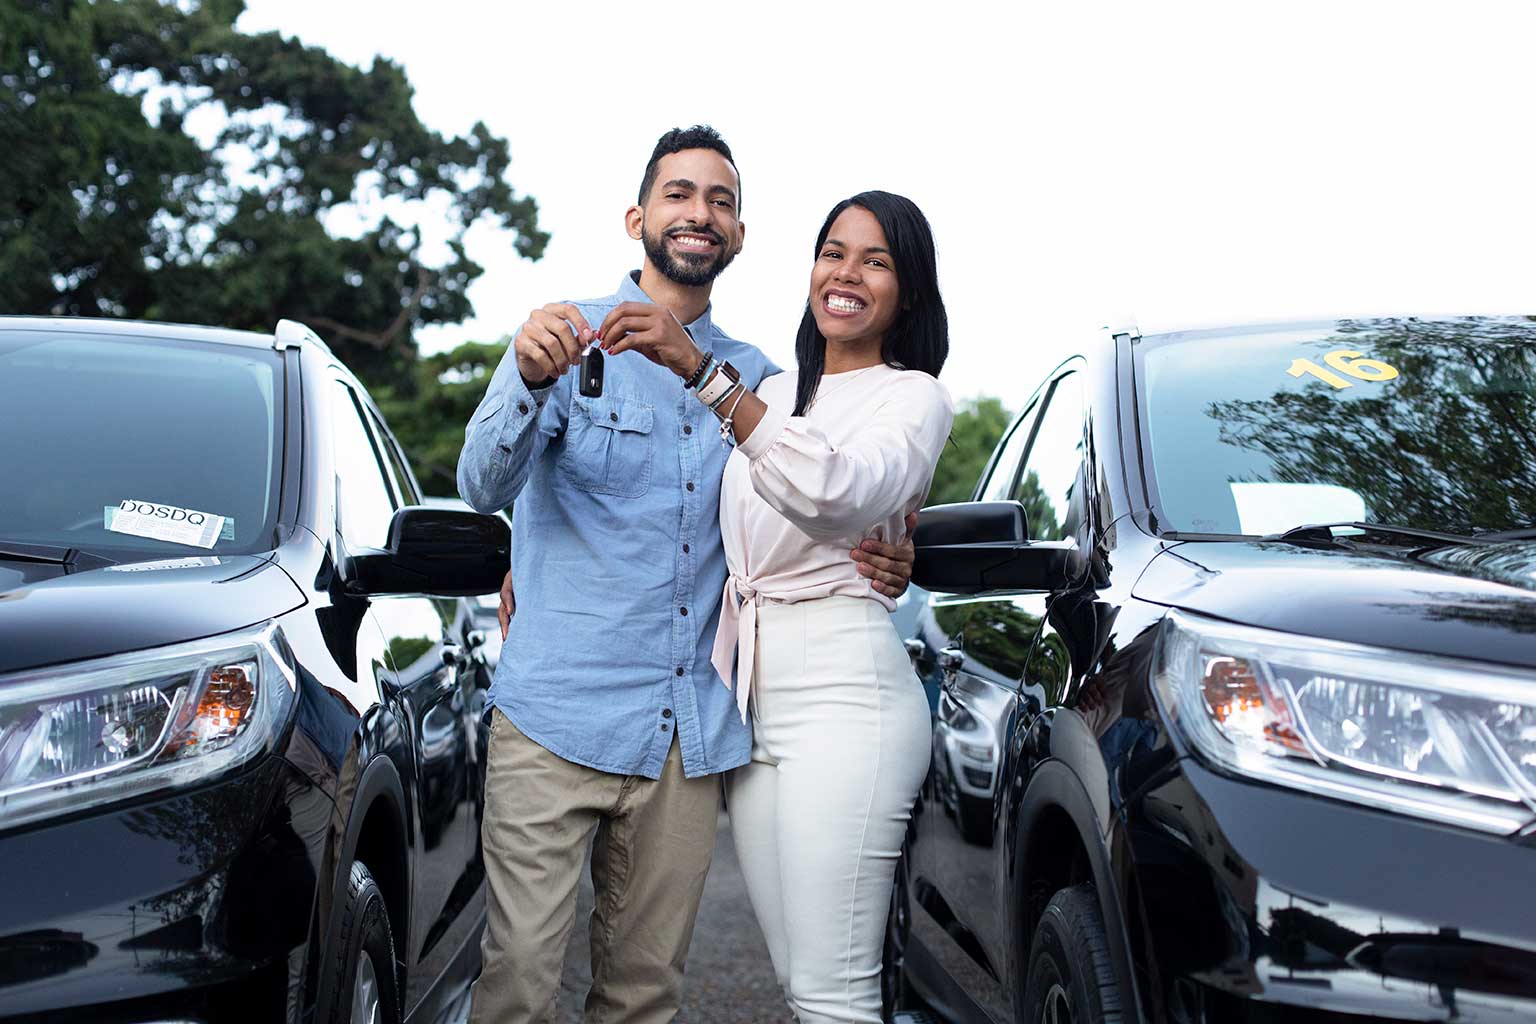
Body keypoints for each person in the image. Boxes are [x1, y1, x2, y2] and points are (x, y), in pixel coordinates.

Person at [456, 126, 917, 1024]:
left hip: (684, 738)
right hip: (553, 717)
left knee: (644, 997)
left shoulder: (764, 385)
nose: (699, 213)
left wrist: (901, 551)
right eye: (679, 193)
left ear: (739, 235)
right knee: (518, 983)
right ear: (638, 218)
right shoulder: (562, 337)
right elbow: (481, 486)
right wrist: (526, 380)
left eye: (721, 201)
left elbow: (830, 489)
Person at [603, 189, 953, 1023]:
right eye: (834, 252)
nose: (847, 274)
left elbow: (833, 495)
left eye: (876, 262)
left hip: (847, 695)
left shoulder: (913, 397)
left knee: (837, 994)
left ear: (908, 292)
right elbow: (698, 518)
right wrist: (523, 560)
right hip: (755, 701)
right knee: (801, 984)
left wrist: (701, 372)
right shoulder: (778, 388)